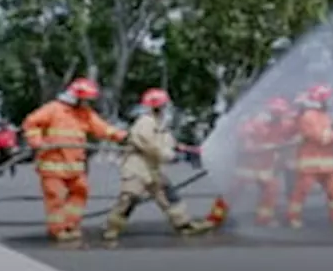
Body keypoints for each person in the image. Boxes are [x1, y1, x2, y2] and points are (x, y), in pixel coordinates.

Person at [21, 77, 128, 242]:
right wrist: (38, 142)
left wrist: (124, 137)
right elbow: (31, 123)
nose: (87, 102)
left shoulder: (85, 113)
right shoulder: (53, 109)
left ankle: (71, 224)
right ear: (75, 96)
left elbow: (103, 129)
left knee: (81, 192)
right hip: (53, 165)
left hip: (75, 166)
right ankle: (57, 230)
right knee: (55, 197)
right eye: (85, 99)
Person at [102, 89, 212, 241]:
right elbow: (151, 146)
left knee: (169, 196)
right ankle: (112, 229)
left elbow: (168, 142)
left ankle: (184, 225)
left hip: (153, 169)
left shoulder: (159, 122)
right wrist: (172, 156)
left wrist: (186, 150)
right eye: (164, 104)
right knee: (129, 198)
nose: (167, 107)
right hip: (137, 167)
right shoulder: (145, 122)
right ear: (158, 106)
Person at [284, 84, 333, 230]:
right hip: (310, 164)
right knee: (301, 192)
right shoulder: (308, 116)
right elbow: (319, 137)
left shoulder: (324, 115)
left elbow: (329, 129)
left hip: (328, 164)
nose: (330, 101)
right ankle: (293, 218)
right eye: (328, 98)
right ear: (320, 100)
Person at [207, 107, 286, 229]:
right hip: (247, 167)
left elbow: (281, 138)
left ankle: (264, 218)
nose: (279, 118)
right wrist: (264, 147)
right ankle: (215, 217)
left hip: (265, 166)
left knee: (271, 190)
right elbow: (246, 145)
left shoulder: (278, 124)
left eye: (280, 115)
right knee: (233, 192)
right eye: (277, 115)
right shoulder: (252, 125)